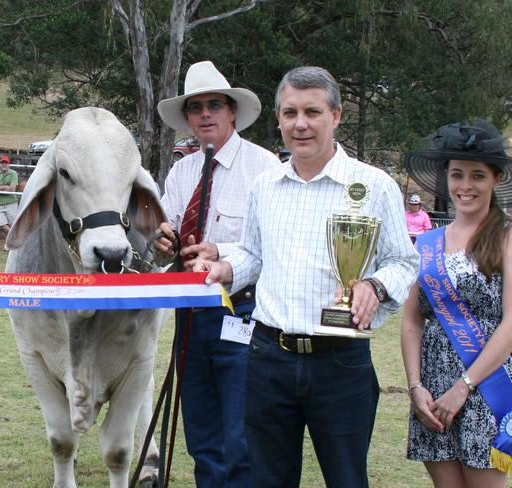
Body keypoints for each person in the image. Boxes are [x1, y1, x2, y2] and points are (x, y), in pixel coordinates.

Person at [193, 66, 419, 487]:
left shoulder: (375, 186)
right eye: (290, 112)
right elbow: (253, 256)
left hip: (340, 361)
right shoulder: (265, 186)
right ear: (278, 118)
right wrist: (226, 269)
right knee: (266, 480)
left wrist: (374, 285)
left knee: (347, 479)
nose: (300, 124)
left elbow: (404, 262)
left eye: (312, 112)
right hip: (266, 358)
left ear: (335, 116)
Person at [154, 60, 280, 487]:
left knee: (240, 433)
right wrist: (163, 238)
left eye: (214, 105)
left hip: (241, 312)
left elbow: (272, 245)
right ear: (188, 118)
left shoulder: (265, 169)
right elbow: (164, 227)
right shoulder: (181, 170)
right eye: (195, 108)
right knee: (201, 430)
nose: (205, 114)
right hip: (189, 314)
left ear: (231, 112)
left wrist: (221, 252)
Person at [401, 120, 512, 487]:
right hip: (433, 393)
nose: (465, 186)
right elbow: (413, 321)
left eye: (477, 176)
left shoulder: (508, 237)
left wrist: (464, 386)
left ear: (496, 179)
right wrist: (416, 386)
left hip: (487, 386)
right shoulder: (427, 243)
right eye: (457, 175)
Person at [0, 154, 19, 242]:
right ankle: (13, 239)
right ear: (0, 164)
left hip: (11, 203)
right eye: (2, 163)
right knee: (2, 224)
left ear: (9, 164)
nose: (4, 165)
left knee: (14, 225)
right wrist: (5, 187)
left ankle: (8, 244)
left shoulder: (13, 173)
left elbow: (12, 189)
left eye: (6, 163)